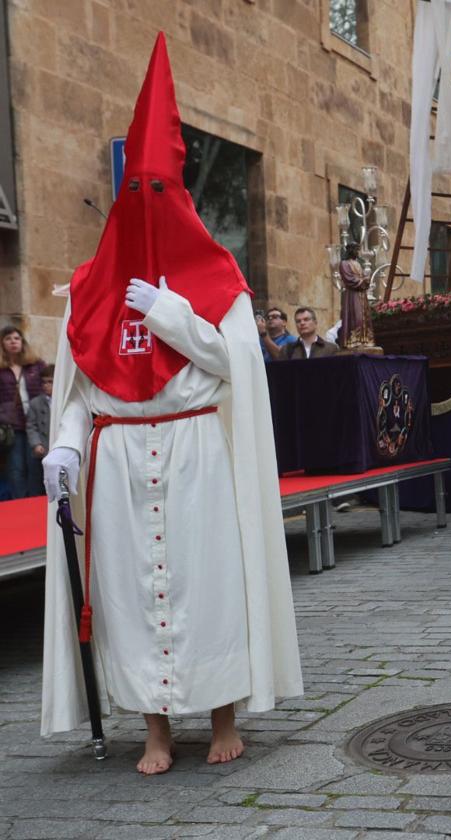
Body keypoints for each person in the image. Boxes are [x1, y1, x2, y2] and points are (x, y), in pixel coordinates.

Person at [39, 33, 302, 774]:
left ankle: (222, 716)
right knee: (128, 595)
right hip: (119, 458)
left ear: (179, 198)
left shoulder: (217, 279)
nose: (147, 209)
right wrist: (66, 443)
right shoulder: (93, 285)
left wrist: (173, 315)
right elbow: (83, 386)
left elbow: (234, 371)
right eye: (137, 194)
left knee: (207, 586)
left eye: (160, 193)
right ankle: (154, 729)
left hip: (194, 454)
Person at [0, 325, 48, 498]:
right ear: (2, 344)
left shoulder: (36, 365)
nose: (13, 342)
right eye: (8, 338)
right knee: (16, 468)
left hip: (36, 423)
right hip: (13, 426)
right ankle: (20, 503)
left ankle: (36, 502)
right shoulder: (1, 369)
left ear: (22, 342)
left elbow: (49, 384)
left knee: (36, 466)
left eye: (16, 338)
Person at [339, 243, 375, 350]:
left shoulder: (358, 264)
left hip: (362, 295)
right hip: (352, 295)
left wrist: (366, 281)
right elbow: (349, 279)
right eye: (356, 250)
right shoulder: (344, 264)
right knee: (356, 316)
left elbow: (363, 276)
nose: (358, 253)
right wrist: (362, 282)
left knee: (364, 317)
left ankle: (365, 339)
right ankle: (354, 340)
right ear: (350, 250)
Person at [26, 364, 54, 479]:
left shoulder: (66, 402)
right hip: (44, 448)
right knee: (41, 478)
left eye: (50, 382)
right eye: (43, 382)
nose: (46, 385)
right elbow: (31, 426)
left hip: (59, 445)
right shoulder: (35, 403)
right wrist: (36, 443)